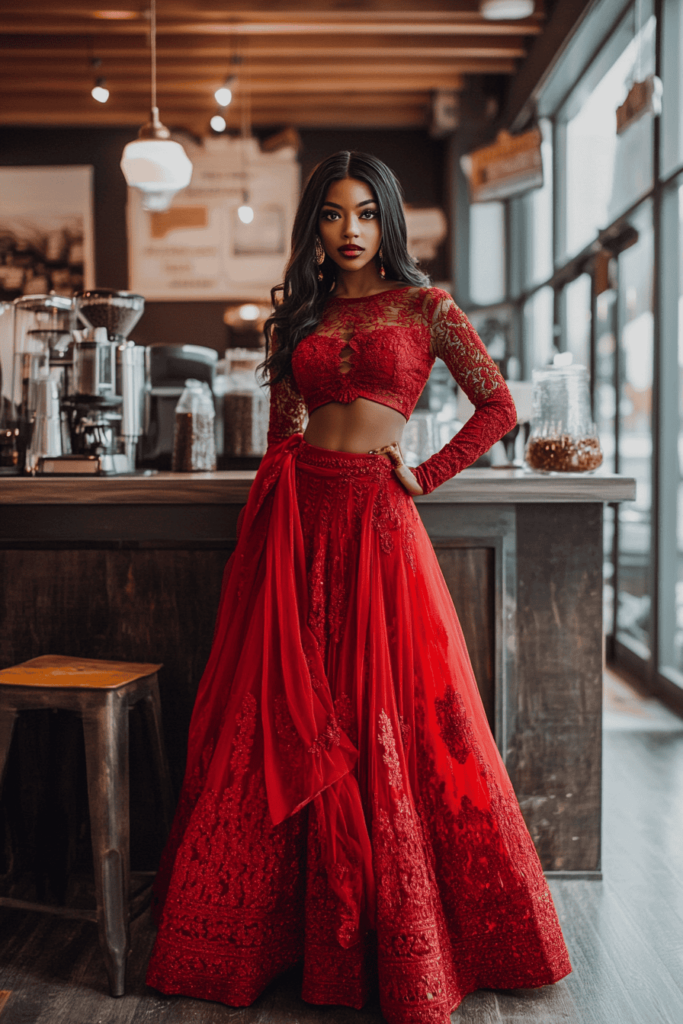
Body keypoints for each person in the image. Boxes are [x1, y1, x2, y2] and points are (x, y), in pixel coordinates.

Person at [146, 151, 571, 1022]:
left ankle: (409, 943)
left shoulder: (425, 306)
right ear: (316, 226)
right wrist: (270, 524)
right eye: (335, 214)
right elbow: (278, 437)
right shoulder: (297, 317)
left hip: (379, 529)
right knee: (283, 715)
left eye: (366, 213)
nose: (350, 231)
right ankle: (275, 940)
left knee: (396, 718)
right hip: (296, 525)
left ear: (388, 222)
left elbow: (499, 405)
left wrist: (427, 474)